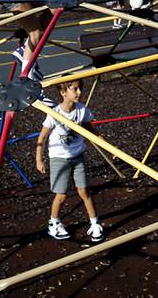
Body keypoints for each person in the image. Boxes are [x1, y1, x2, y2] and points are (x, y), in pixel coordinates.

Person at [35, 79, 104, 242]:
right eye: (75, 89)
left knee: (84, 191)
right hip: (59, 158)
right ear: (63, 92)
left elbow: (91, 130)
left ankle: (95, 223)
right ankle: (54, 223)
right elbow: (42, 137)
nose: (79, 92)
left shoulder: (82, 110)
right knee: (61, 195)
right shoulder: (55, 113)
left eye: (80, 89)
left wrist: (108, 146)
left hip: (78, 156)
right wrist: (39, 159)